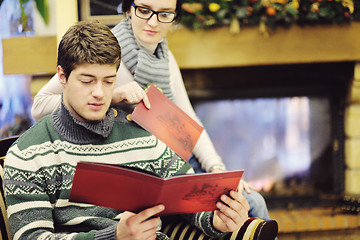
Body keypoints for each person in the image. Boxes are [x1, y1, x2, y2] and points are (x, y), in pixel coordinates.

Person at [3, 21, 251, 240]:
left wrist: (215, 219)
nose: (100, 93)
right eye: (87, 81)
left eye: (109, 81)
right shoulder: (28, 154)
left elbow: (187, 192)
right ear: (62, 77)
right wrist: (114, 236)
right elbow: (31, 237)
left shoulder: (141, 134)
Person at [30, 0, 271, 221]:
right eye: (144, 10)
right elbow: (39, 105)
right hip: (146, 172)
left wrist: (218, 171)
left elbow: (187, 120)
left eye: (165, 14)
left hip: (177, 160)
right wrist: (112, 96)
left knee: (251, 202)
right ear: (128, 8)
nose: (153, 22)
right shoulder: (105, 54)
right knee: (251, 205)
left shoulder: (165, 57)